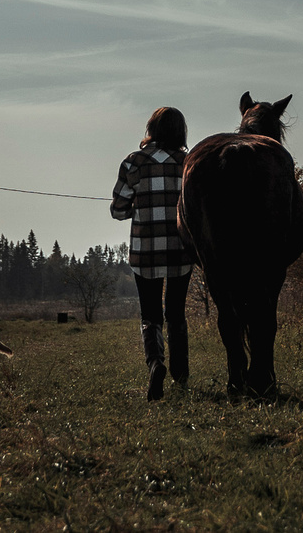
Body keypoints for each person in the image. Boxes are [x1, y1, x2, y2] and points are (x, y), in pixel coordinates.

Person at [109, 105, 192, 399]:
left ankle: (156, 364)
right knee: (176, 312)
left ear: (151, 130)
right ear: (181, 131)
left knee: (151, 314)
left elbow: (118, 210)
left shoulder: (134, 162)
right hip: (181, 250)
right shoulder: (188, 162)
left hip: (145, 252)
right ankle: (181, 375)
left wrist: (139, 207)